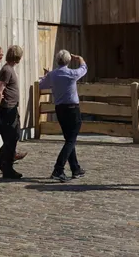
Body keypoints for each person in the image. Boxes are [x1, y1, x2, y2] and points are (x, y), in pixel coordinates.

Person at [39, 50, 88, 182]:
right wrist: (80, 58)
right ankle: (58, 169)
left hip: (60, 109)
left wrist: (46, 76)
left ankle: (75, 168)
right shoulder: (72, 73)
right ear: (68, 61)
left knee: (69, 139)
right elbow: (84, 69)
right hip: (72, 109)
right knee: (71, 140)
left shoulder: (52, 75)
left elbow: (42, 85)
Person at [0, 45, 26, 179]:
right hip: (7, 109)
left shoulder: (10, 69)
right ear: (18, 57)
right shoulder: (7, 70)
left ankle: (0, 159)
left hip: (12, 108)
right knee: (10, 138)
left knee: (15, 135)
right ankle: (7, 167)